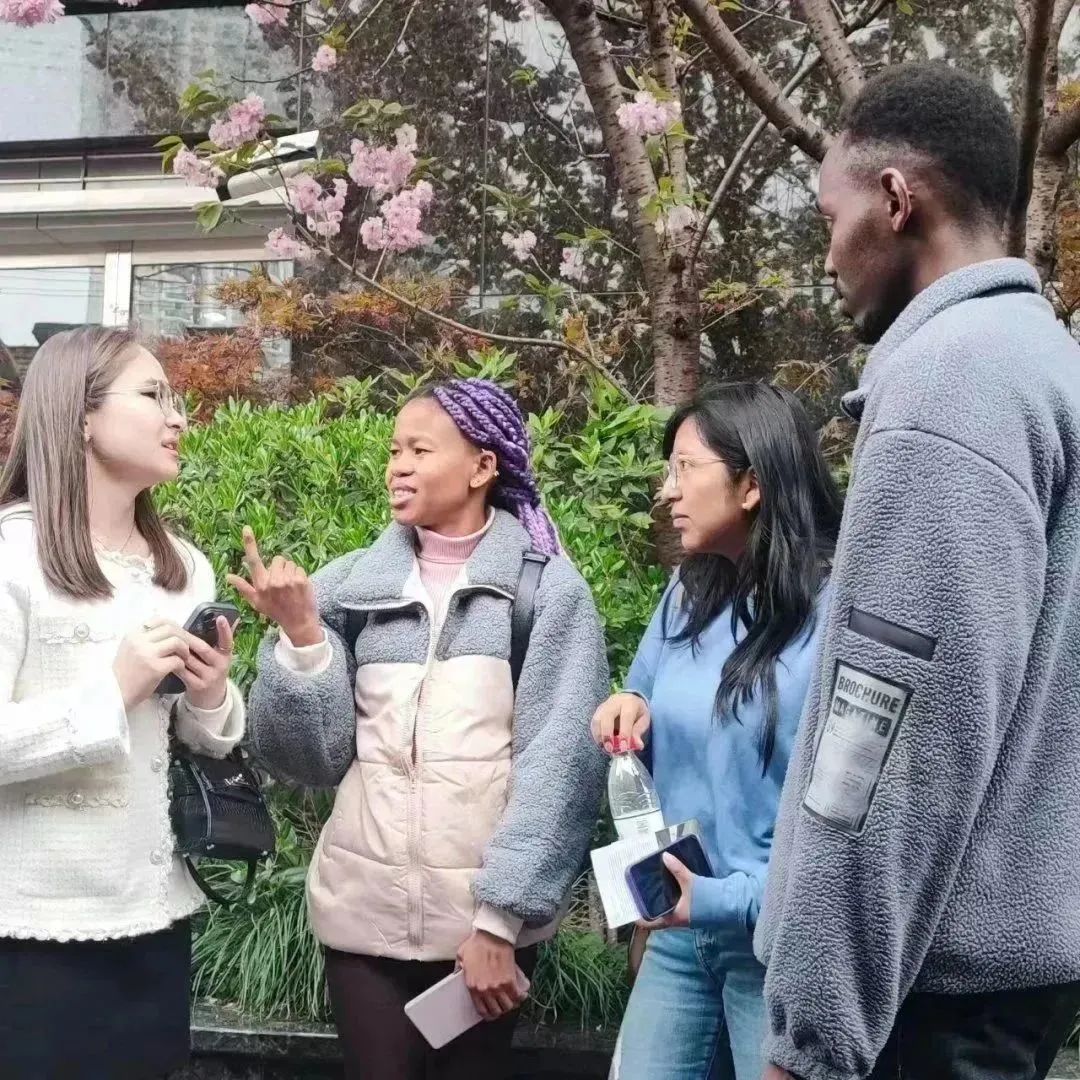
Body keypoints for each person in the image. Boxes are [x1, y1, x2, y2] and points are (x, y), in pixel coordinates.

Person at [756, 62, 1080, 1080]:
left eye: (830, 217)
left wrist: (813, 1040)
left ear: (898, 201)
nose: (826, 255)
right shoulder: (1045, 361)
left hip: (921, 1002)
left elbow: (895, 736)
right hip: (1004, 978)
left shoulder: (951, 384)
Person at [238, 378, 609, 1080]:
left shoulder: (544, 592)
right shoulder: (348, 589)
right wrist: (303, 637)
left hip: (482, 932)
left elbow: (561, 767)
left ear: (482, 466)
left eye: (420, 450)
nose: (398, 467)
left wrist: (500, 923)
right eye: (393, 451)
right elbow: (305, 761)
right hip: (361, 920)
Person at [0, 326, 246, 1079]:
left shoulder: (184, 568)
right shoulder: (13, 555)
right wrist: (114, 689)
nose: (177, 416)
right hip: (28, 923)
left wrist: (210, 693)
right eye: (152, 395)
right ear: (80, 414)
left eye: (175, 398)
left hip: (153, 911)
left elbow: (194, 743)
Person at [592, 382, 842, 1080]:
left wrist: (720, 899)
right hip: (679, 931)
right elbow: (643, 689)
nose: (666, 491)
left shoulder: (837, 614)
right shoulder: (689, 591)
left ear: (752, 485)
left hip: (777, 946)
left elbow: (847, 824)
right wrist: (627, 706)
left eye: (684, 468)